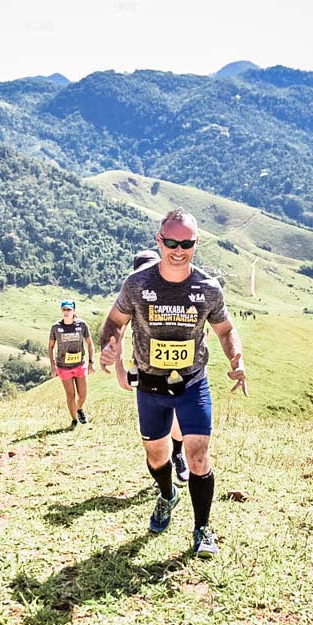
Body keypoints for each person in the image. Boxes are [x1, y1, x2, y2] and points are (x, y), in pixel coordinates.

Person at [99, 209, 247, 557]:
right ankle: (167, 495)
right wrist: (110, 344)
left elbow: (225, 329)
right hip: (151, 384)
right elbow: (115, 321)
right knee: (156, 456)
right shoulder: (137, 284)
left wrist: (237, 359)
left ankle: (202, 529)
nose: (178, 250)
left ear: (196, 244)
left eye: (187, 243)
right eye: (171, 242)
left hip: (193, 382)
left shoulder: (208, 289)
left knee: (198, 456)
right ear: (159, 241)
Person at [130, 249, 191, 484]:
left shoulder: (173, 292)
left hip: (177, 369)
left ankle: (177, 454)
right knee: (157, 425)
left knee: (176, 419)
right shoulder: (133, 295)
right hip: (147, 370)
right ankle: (163, 470)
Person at [49, 299, 96, 428]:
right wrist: (53, 367)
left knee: (83, 395)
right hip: (63, 367)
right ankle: (74, 420)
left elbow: (90, 344)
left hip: (79, 365)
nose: (66, 312)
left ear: (74, 311)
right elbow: (50, 347)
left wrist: (92, 362)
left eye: (69, 310)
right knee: (70, 394)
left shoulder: (82, 325)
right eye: (64, 309)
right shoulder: (56, 327)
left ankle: (79, 409)